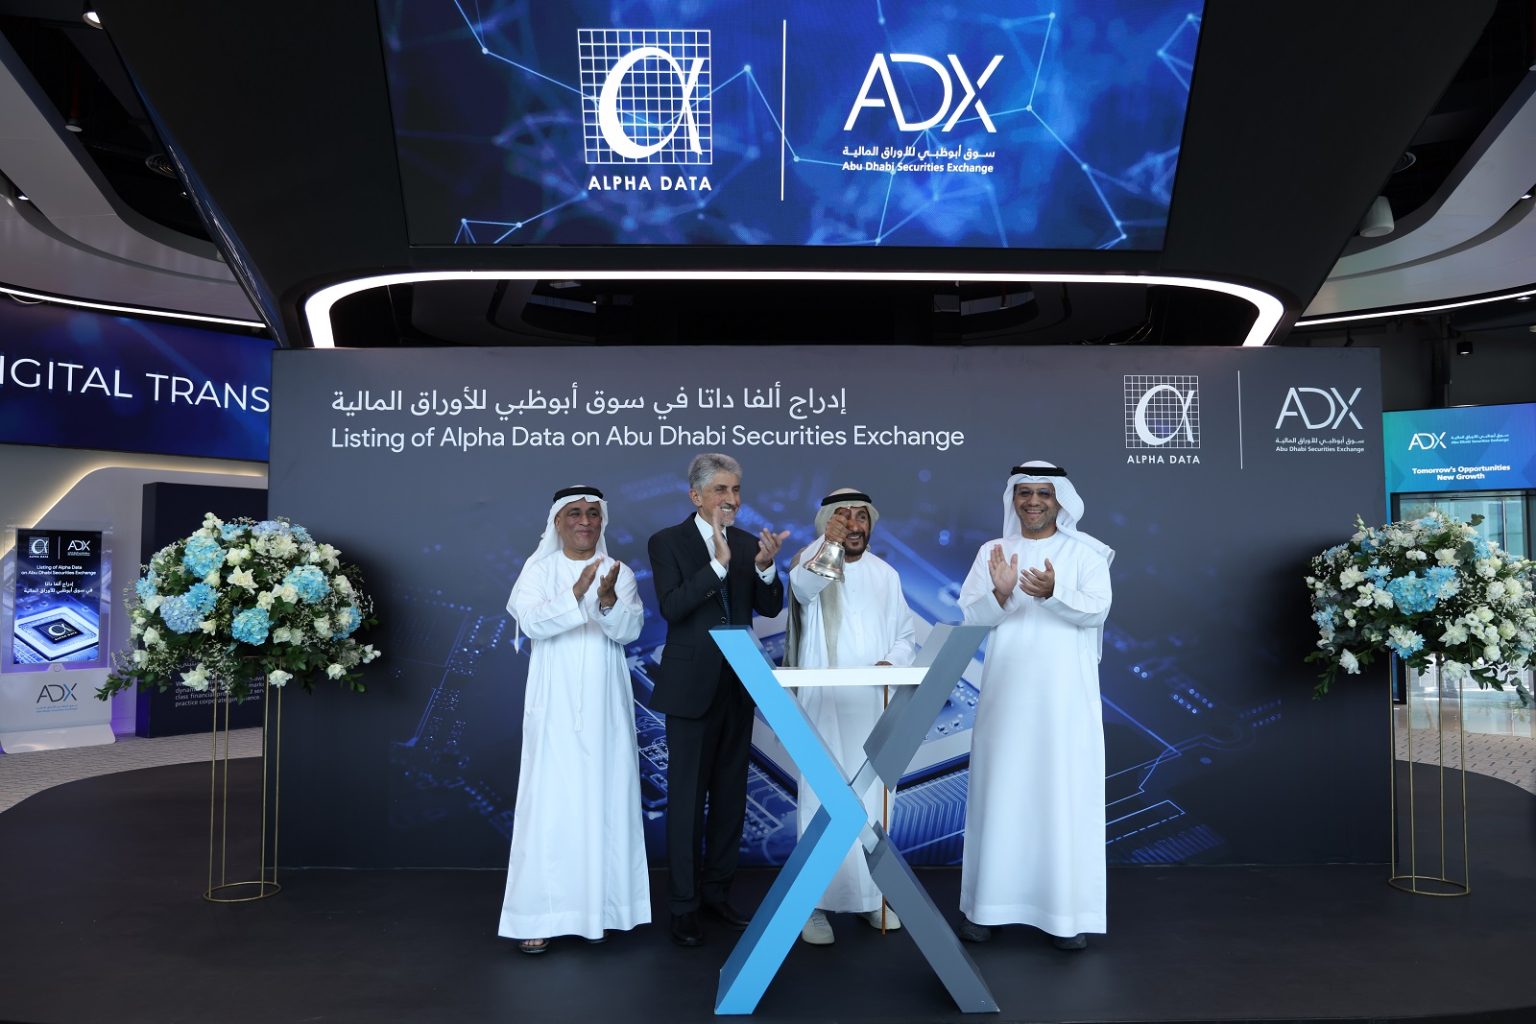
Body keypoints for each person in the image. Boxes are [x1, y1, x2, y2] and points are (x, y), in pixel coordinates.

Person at [956, 462, 1114, 951]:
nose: (1033, 501)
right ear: (1013, 498)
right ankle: (987, 909)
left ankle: (1064, 915)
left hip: (1064, 704)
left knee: (1060, 798)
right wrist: (1000, 593)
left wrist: (1052, 593)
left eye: (1044, 493)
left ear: (1059, 499)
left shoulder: (1086, 553)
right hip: (1005, 699)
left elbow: (1097, 610)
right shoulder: (993, 552)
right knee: (1001, 797)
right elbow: (970, 619)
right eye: (1024, 493)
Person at [498, 486, 650, 954]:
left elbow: (629, 630)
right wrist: (577, 593)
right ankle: (539, 915)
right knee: (551, 804)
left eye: (593, 513)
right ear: (558, 522)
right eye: (575, 513)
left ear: (602, 521)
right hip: (555, 704)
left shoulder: (618, 571)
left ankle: (608, 910)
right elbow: (532, 623)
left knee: (606, 799)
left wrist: (605, 600)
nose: (585, 521)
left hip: (606, 705)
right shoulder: (538, 570)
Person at [647, 453, 789, 947]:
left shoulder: (749, 544)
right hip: (690, 688)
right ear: (697, 496)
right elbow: (673, 607)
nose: (732, 499)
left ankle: (717, 894)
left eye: (736, 490)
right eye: (721, 490)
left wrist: (766, 569)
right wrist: (716, 566)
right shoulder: (667, 542)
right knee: (687, 802)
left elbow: (770, 606)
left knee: (730, 798)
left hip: (738, 687)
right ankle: (683, 906)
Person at [785, 488, 916, 945]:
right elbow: (805, 589)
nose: (854, 526)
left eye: (861, 518)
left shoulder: (886, 575)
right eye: (843, 517)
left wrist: (890, 664)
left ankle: (868, 899)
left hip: (871, 704)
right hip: (824, 703)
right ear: (827, 522)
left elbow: (905, 635)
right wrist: (830, 544)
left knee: (871, 803)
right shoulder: (810, 562)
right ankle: (813, 906)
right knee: (821, 801)